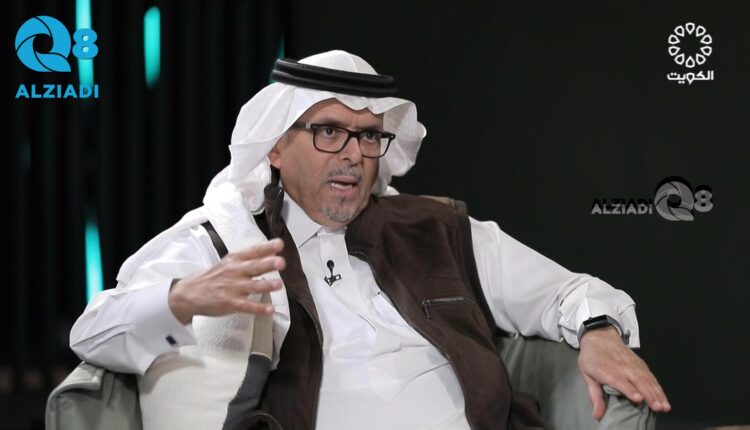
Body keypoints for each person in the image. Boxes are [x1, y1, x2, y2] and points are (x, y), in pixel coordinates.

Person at [70, 50, 670, 429]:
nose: (354, 155)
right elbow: (92, 330)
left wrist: (599, 331)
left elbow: (567, 292)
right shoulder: (225, 242)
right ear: (275, 148)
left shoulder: (437, 228)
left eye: (367, 136)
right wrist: (182, 300)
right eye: (329, 132)